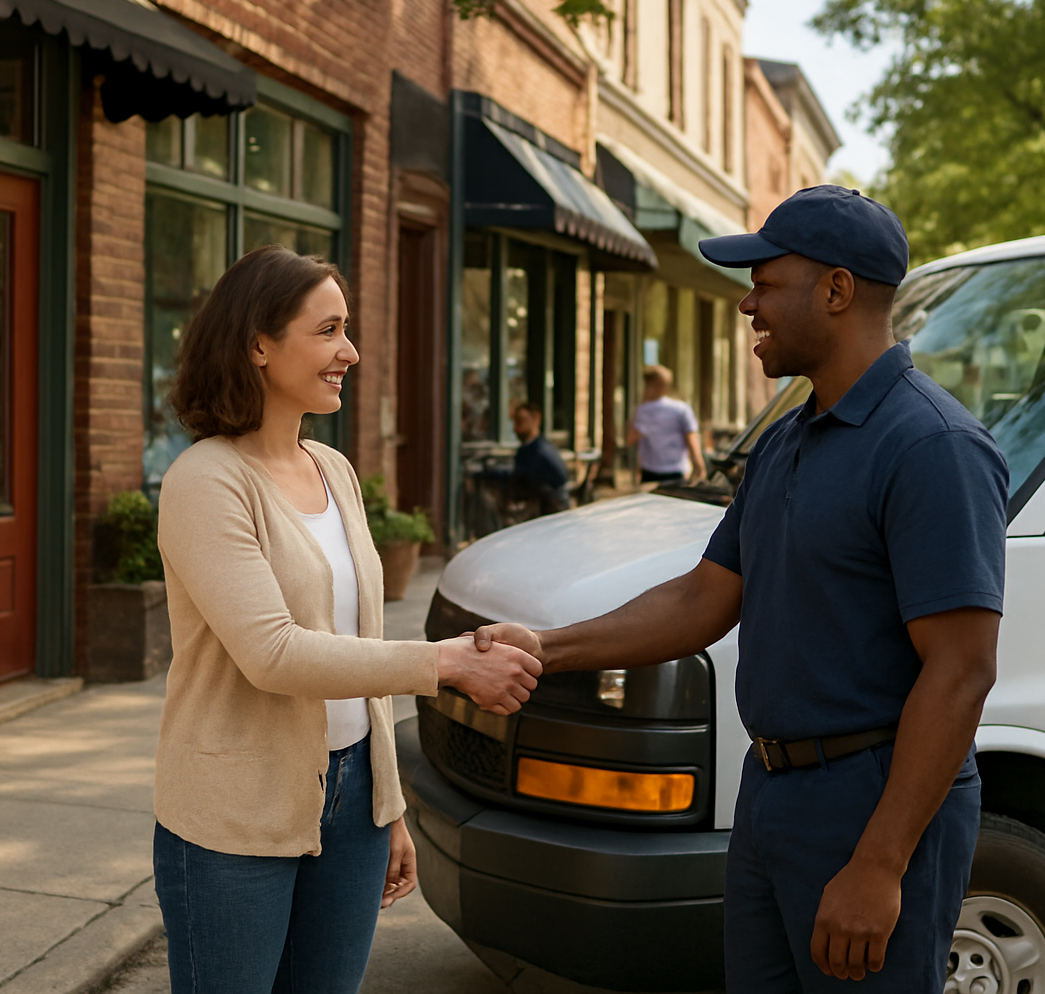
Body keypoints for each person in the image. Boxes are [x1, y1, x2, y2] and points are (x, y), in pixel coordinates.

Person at [475, 185, 1008, 993]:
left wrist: (879, 862)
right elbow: (702, 599)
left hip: (872, 803)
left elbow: (961, 669)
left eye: (765, 283)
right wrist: (545, 648)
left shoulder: (933, 447)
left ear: (836, 290)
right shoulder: (788, 439)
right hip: (769, 797)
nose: (747, 304)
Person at [152, 245, 542, 994]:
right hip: (235, 814)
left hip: (354, 799)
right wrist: (447, 663)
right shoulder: (206, 481)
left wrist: (386, 807)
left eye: (347, 328)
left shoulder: (334, 469)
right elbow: (274, 653)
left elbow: (360, 646)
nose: (350, 352)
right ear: (258, 344)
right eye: (328, 330)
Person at [480, 401, 572, 516]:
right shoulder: (532, 448)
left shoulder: (539, 451)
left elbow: (559, 477)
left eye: (520, 421)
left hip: (549, 511)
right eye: (514, 422)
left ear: (536, 420)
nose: (515, 429)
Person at [627, 364, 706, 483]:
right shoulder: (681, 408)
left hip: (649, 470)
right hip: (676, 469)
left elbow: (630, 440)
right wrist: (698, 463)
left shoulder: (642, 411)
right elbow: (691, 437)